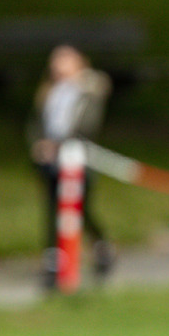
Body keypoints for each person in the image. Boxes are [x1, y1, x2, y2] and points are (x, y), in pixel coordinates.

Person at [29, 44, 114, 289]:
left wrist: (58, 145)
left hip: (77, 159)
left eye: (64, 59)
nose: (58, 64)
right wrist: (40, 145)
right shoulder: (50, 92)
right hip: (51, 161)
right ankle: (54, 262)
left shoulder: (89, 89)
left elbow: (86, 125)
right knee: (53, 209)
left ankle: (101, 248)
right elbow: (38, 123)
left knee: (80, 209)